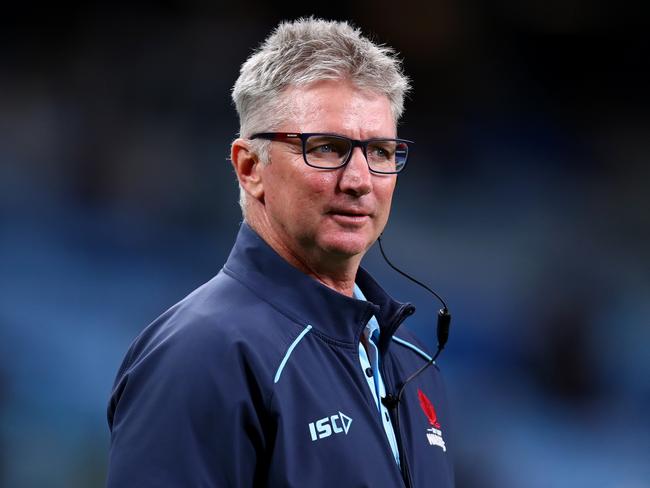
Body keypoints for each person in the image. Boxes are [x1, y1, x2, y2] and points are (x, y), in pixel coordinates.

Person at [106, 18, 454, 488]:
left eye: (381, 151)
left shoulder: (410, 359)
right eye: (327, 148)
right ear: (250, 167)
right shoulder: (202, 353)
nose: (359, 180)